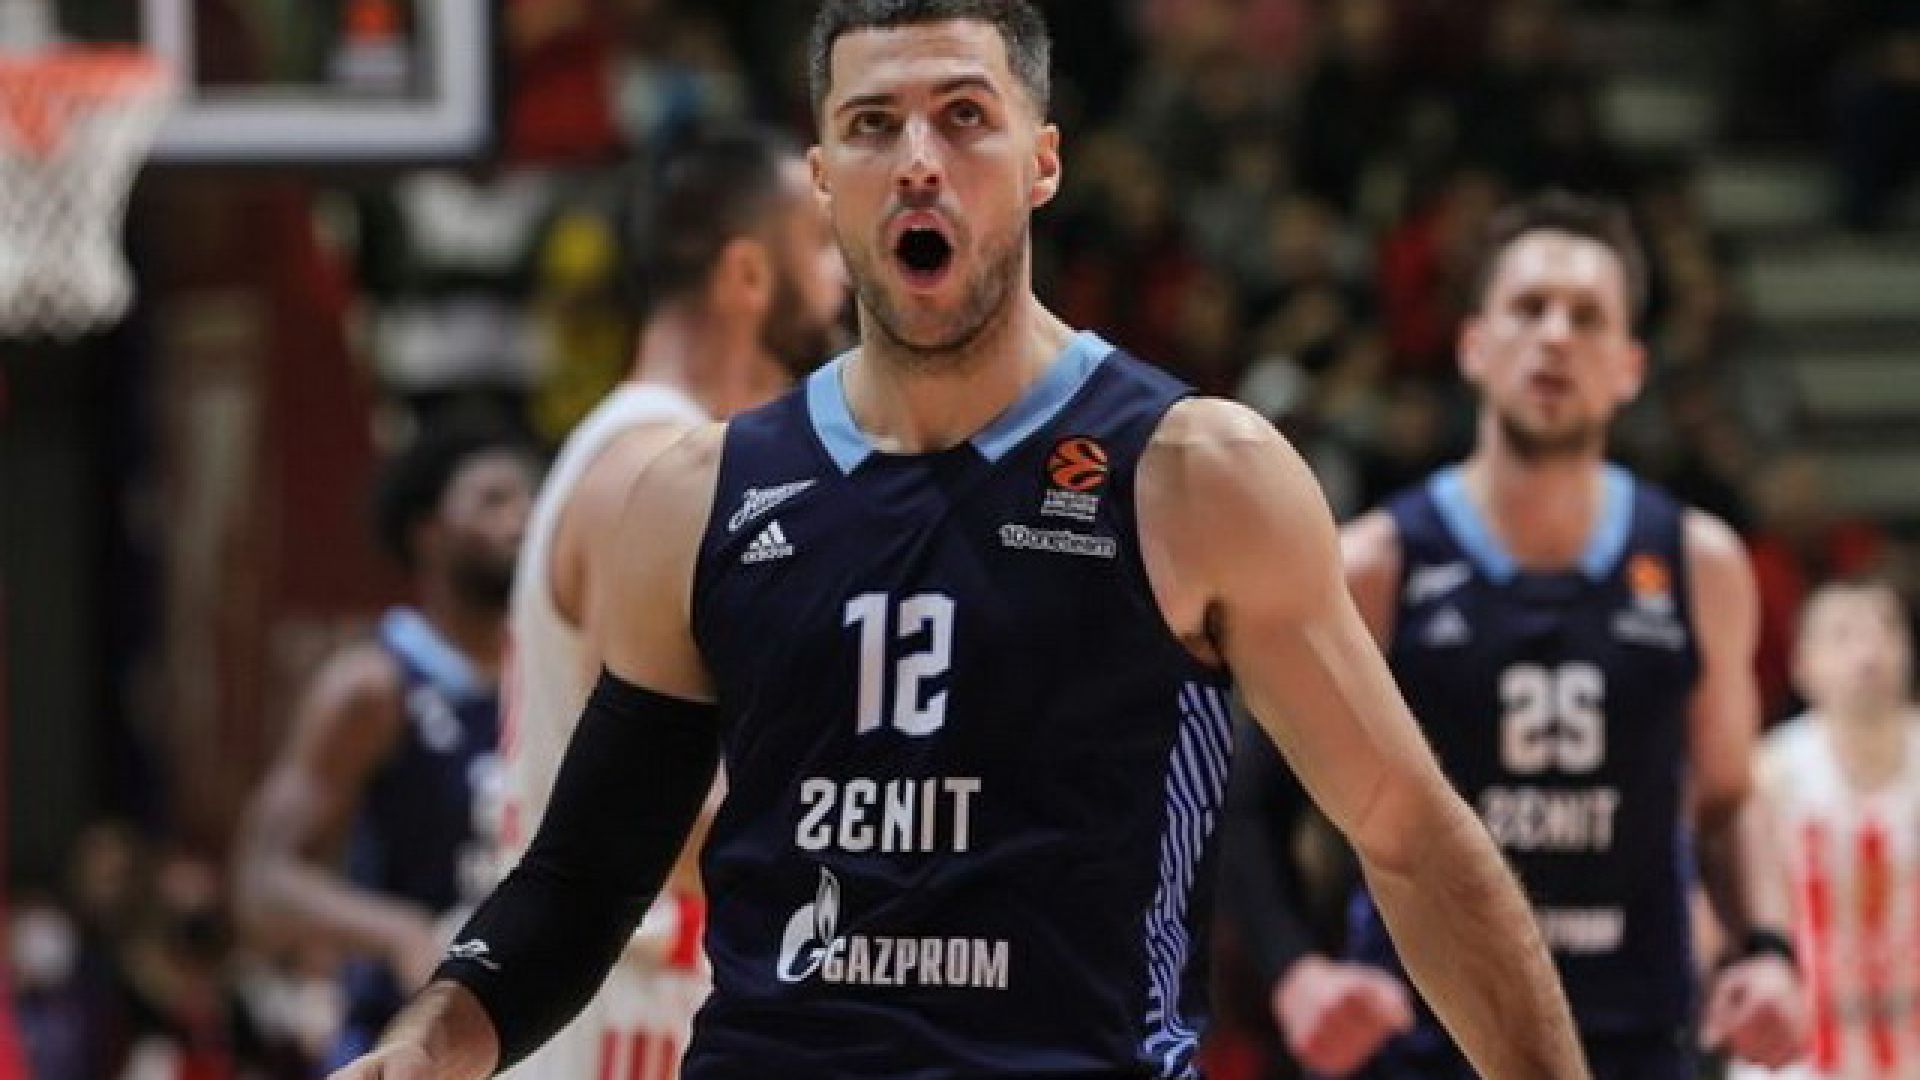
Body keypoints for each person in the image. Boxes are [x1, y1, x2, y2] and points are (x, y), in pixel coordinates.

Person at [333, 3, 1586, 1078]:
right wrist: (429, 1043)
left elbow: (1409, 837)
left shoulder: (1197, 474)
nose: (918, 161)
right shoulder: (699, 494)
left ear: (1042, 163)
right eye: (874, 125)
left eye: (964, 117)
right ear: (822, 178)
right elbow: (580, 880)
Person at [1232, 191, 1809, 1079]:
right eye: (1529, 308)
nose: (1555, 336)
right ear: (1474, 345)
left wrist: (1768, 948)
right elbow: (1247, 802)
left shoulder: (1700, 564)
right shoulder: (1379, 564)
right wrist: (1297, 972)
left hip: (1636, 1042)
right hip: (1420, 1046)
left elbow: (1728, 800)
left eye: (1587, 317)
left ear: (1630, 366)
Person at [495, 127, 846, 1080]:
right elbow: (653, 819)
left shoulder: (664, 457)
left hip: (649, 1012)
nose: (841, 281)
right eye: (819, 247)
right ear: (746, 274)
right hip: (613, 1026)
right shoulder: (654, 470)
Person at [233, 425, 538, 1070]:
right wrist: (401, 933)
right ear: (427, 531)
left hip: (521, 1031)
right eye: (493, 500)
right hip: (398, 1033)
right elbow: (262, 881)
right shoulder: (374, 686)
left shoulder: (549, 680)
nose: (520, 518)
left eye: (528, 498)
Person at [1734, 576, 1920, 1080]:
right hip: (1802, 1054)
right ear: (1802, 665)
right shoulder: (1770, 771)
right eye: (1843, 634)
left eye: (1886, 630)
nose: (1869, 653)